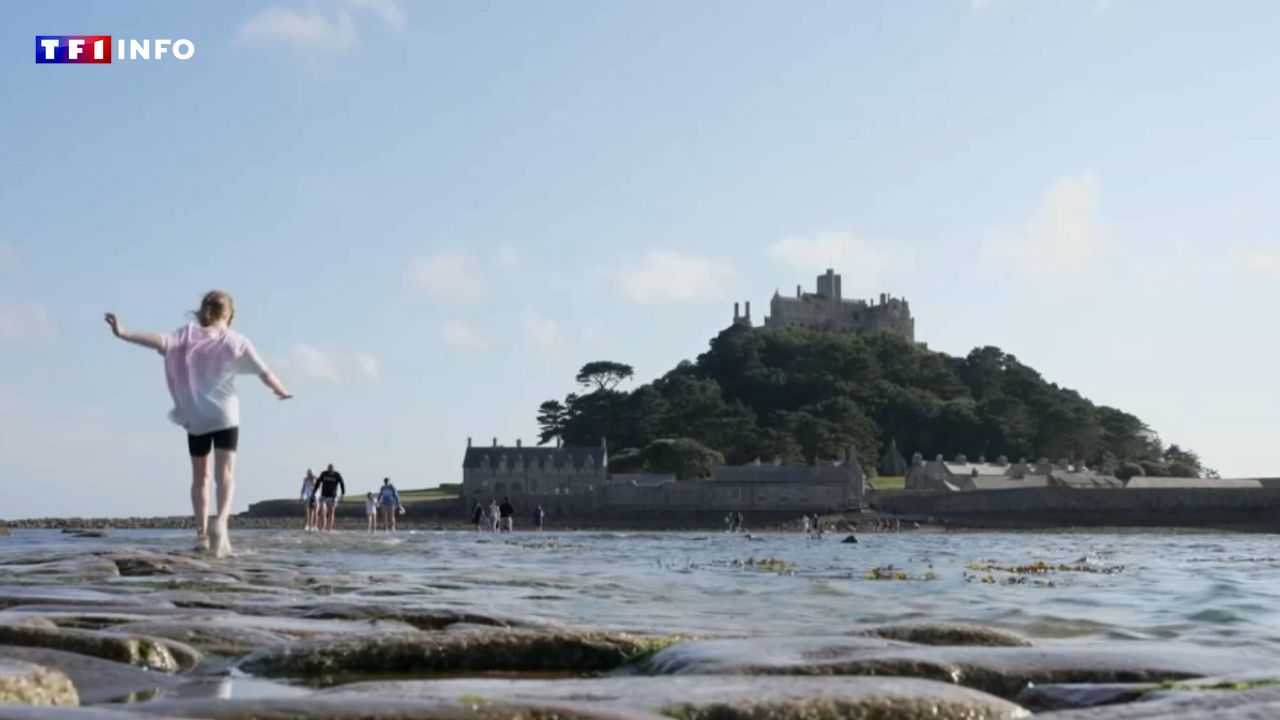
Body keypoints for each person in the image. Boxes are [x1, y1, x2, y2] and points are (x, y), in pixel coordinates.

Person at [104, 292, 291, 558]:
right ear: (230, 315)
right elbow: (264, 372)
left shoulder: (186, 335)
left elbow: (159, 341)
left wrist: (123, 332)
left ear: (204, 312)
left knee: (200, 478)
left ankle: (202, 535)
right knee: (225, 475)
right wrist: (281, 390)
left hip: (196, 416)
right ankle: (221, 522)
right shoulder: (237, 340)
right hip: (225, 415)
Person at [312, 464, 345, 532]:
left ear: (334, 469)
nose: (330, 470)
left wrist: (342, 494)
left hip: (333, 496)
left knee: (331, 512)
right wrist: (314, 492)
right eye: (329, 469)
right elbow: (318, 482)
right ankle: (323, 527)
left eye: (331, 469)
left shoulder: (337, 475)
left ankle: (330, 528)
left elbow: (342, 484)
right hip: (324, 495)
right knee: (323, 511)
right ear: (327, 469)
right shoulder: (324, 474)